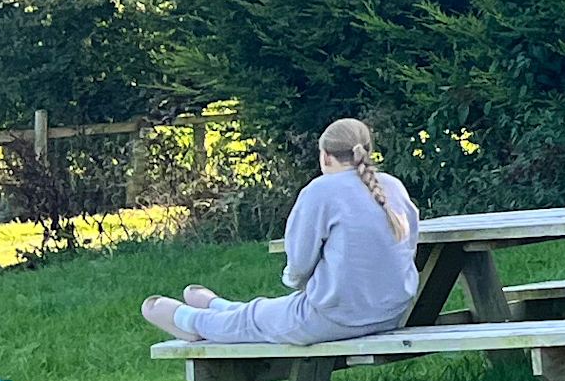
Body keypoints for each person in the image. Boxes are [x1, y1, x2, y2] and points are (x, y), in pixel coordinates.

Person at [142, 118, 419, 348]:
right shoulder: (393, 186)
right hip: (390, 314)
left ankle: (189, 321)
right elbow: (409, 245)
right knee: (269, 311)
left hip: (336, 319)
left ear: (325, 156)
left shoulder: (321, 191)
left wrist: (294, 281)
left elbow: (299, 261)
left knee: (255, 320)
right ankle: (220, 306)